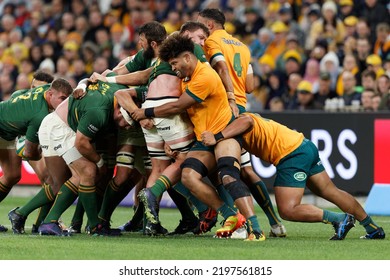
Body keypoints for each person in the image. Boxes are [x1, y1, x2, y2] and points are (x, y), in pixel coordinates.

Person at [131, 34, 265, 241]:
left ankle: (256, 229)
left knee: (228, 176)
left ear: (187, 57)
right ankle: (230, 216)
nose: (174, 68)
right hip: (204, 140)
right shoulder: (187, 77)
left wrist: (146, 112)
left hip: (224, 134)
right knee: (187, 176)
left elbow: (178, 106)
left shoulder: (205, 76)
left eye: (175, 63)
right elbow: (188, 112)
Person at [200, 113, 386, 240]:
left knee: (288, 209)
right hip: (304, 146)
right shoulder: (234, 119)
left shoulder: (233, 121)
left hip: (291, 154)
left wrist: (217, 136)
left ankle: (339, 219)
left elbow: (247, 121)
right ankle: (373, 229)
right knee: (331, 191)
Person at [197, 8, 286, 237]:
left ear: (209, 25)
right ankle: (275, 222)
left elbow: (219, 68)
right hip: (243, 106)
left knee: (227, 170)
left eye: (200, 26)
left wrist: (227, 93)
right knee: (245, 169)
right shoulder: (243, 47)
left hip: (223, 109)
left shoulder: (210, 43)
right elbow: (250, 86)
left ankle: (242, 223)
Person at [1, 77, 72, 233]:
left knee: (12, 175)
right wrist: (40, 150)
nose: (63, 103)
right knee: (50, 177)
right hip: (4, 129)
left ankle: (36, 221)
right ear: (50, 94)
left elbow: (17, 95)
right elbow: (30, 153)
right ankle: (34, 219)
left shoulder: (49, 89)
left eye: (66, 99)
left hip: (8, 130)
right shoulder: (39, 116)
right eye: (61, 99)